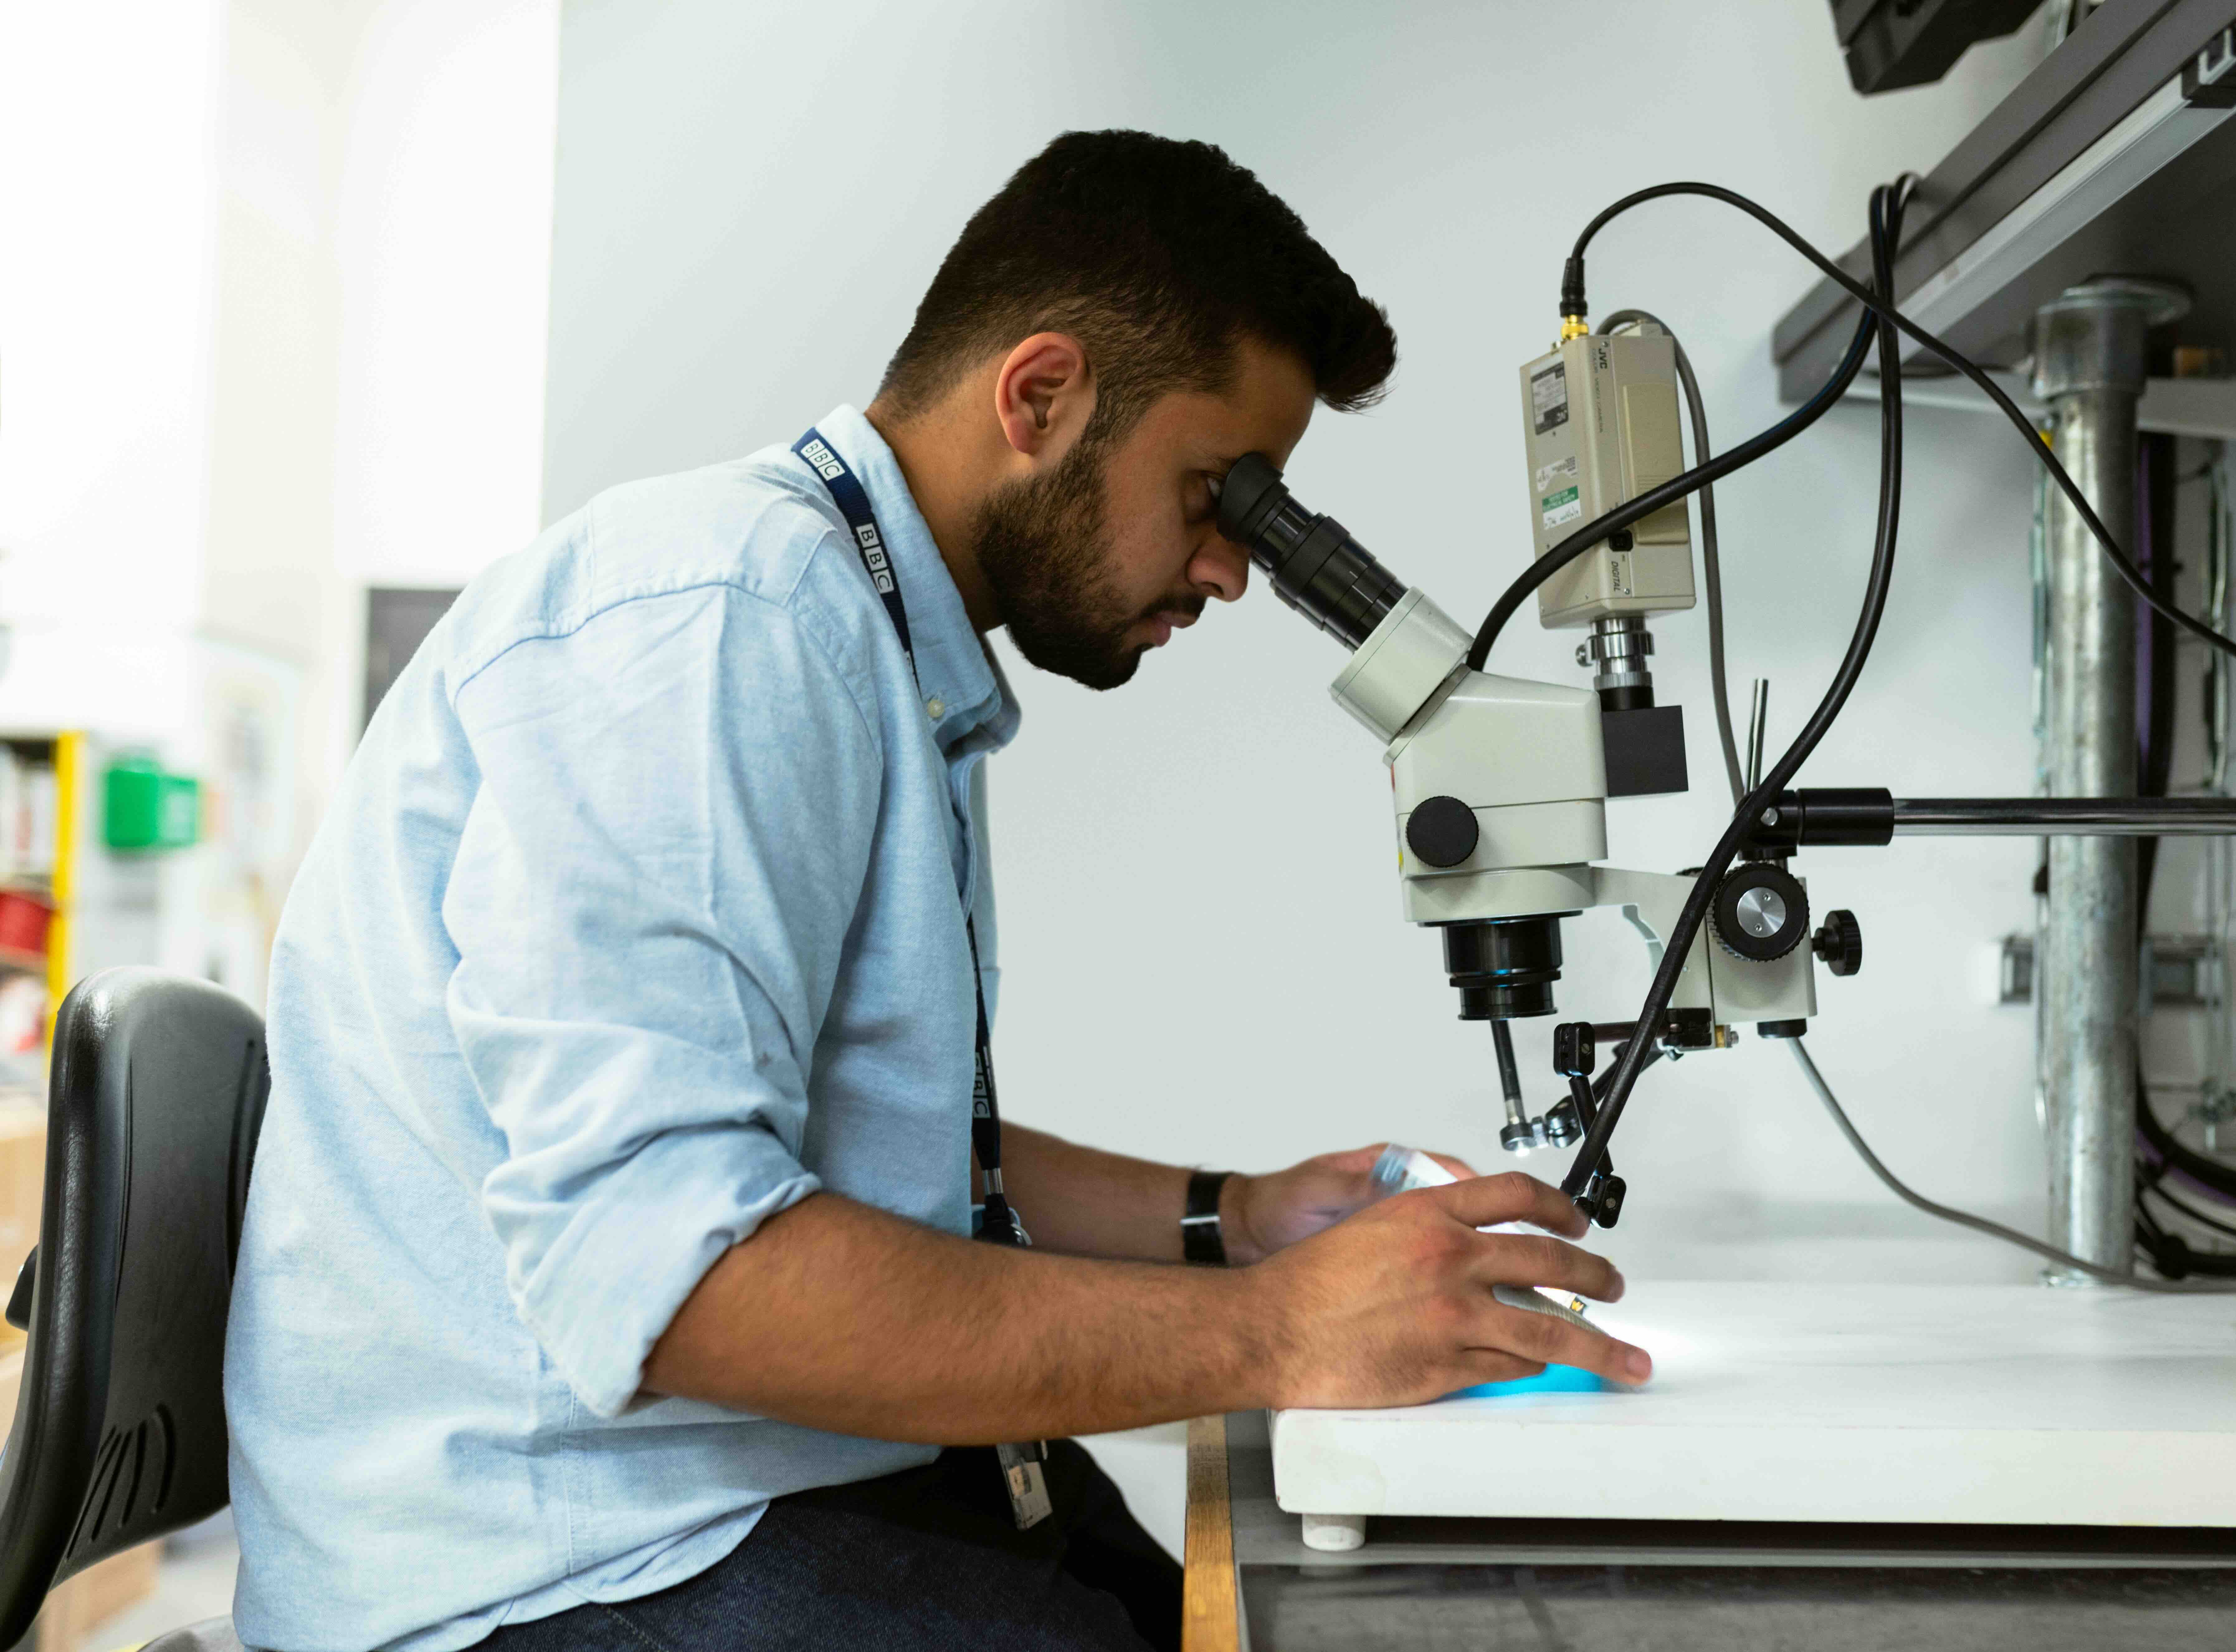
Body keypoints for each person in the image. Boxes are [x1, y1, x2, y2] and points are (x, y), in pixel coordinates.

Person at [225, 128, 1648, 1652]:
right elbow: (687, 1281)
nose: (1233, 570)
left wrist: (1228, 1223)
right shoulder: (721, 621)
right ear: (1039, 397)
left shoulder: (867, 638)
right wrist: (1284, 1329)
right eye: (1215, 492)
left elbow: (852, 1140)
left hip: (711, 1494)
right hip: (546, 1579)